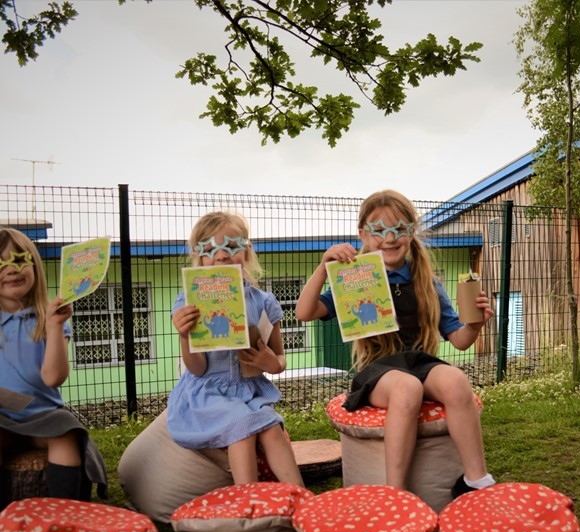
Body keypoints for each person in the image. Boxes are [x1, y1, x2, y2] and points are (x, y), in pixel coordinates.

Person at [296, 189, 495, 497]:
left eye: (398, 229)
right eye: (379, 231)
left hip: (420, 363)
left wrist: (475, 324)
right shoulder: (352, 278)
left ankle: (477, 481)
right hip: (378, 372)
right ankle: (397, 493)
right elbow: (304, 312)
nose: (389, 238)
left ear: (411, 230)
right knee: (407, 387)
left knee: (456, 380)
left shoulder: (425, 281)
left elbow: (460, 341)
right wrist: (324, 267)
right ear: (363, 233)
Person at [168, 211, 303, 487]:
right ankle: (248, 503)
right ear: (199, 258)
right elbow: (197, 368)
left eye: (230, 246)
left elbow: (280, 360)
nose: (221, 256)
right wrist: (185, 337)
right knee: (242, 426)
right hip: (207, 392)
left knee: (272, 428)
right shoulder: (188, 302)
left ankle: (302, 499)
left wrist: (271, 363)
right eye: (209, 250)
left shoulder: (264, 302)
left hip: (248, 390)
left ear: (247, 251)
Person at [0, 227, 107, 500]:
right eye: (1, 263)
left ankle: (65, 513)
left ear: (34, 266)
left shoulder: (50, 319)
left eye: (19, 260)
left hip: (44, 417)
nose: (11, 270)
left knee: (67, 433)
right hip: (3, 418)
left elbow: (53, 378)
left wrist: (55, 326)